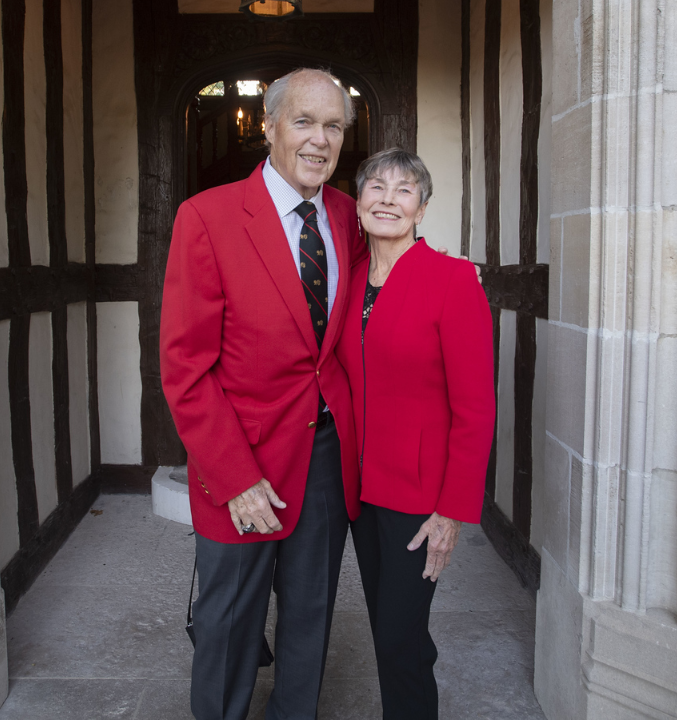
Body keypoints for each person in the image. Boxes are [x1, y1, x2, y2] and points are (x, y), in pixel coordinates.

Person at [160, 68, 368, 720]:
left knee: (310, 613)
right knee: (228, 620)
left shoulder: (346, 214)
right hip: (240, 455)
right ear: (268, 126)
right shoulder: (207, 217)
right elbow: (185, 366)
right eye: (304, 121)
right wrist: (233, 474)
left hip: (327, 452)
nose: (320, 139)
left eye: (333, 125)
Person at [333, 148, 496, 720]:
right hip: (361, 493)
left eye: (404, 191)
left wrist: (451, 511)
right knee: (389, 631)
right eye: (375, 187)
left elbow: (475, 408)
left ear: (422, 209)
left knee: (402, 641)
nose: (387, 199)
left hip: (418, 500)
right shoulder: (348, 282)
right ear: (358, 204)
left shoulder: (452, 279)